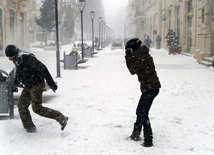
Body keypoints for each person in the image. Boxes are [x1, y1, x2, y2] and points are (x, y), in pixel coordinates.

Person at [5, 45, 68, 133]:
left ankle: (61, 118)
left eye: (10, 57)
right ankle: (30, 128)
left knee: (37, 108)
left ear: (14, 54)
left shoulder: (26, 57)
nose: (9, 59)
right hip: (28, 85)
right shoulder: (18, 59)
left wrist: (51, 83)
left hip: (37, 84)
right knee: (22, 106)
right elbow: (19, 73)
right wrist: (15, 85)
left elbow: (43, 68)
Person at [124, 38, 161, 147]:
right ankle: (136, 133)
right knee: (141, 111)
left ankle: (148, 140)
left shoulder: (142, 57)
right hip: (149, 87)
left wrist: (128, 56)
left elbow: (132, 70)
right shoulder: (141, 55)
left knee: (142, 112)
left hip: (151, 88)